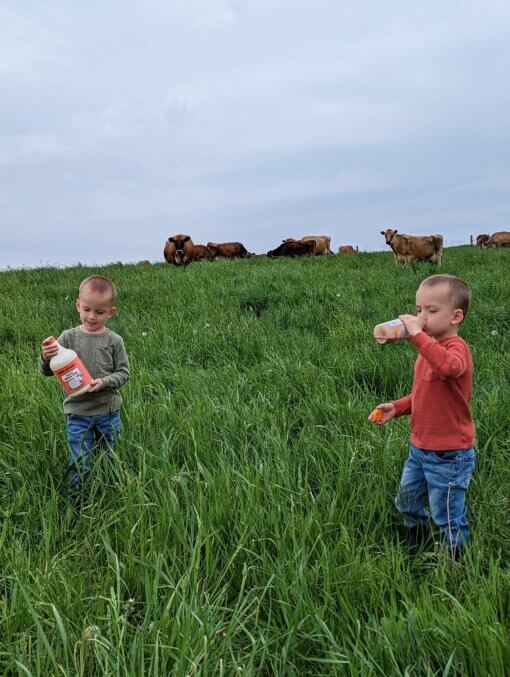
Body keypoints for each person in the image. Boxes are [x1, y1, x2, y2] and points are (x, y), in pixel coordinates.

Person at [369, 274, 475, 557]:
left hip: (450, 454)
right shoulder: (429, 351)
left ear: (456, 316)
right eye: (418, 310)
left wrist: (416, 334)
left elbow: (449, 368)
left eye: (431, 310)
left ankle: (457, 563)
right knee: (407, 502)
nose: (421, 318)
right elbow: (425, 394)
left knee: (448, 515)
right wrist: (399, 407)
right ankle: (416, 541)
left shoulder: (455, 349)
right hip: (420, 447)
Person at [39, 275, 130, 485]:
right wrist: (45, 356)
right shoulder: (68, 338)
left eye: (99, 312)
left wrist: (105, 382)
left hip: (108, 410)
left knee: (111, 456)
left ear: (110, 312)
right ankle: (79, 496)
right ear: (78, 305)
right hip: (78, 412)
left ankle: (111, 487)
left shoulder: (114, 341)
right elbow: (46, 371)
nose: (91, 316)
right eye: (87, 309)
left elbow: (124, 373)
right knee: (80, 459)